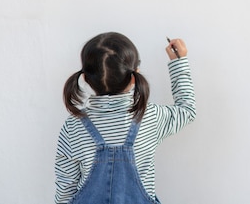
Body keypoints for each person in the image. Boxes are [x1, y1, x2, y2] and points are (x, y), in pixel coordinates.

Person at [55, 32, 196, 204]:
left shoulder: (73, 127)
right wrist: (178, 62)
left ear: (85, 78)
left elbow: (65, 191)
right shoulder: (149, 116)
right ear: (134, 77)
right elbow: (187, 110)